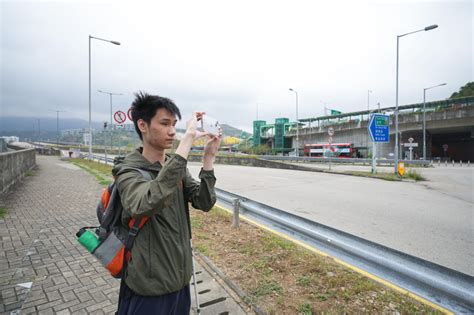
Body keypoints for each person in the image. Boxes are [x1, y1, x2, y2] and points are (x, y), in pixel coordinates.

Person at [112, 91, 220, 314]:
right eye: (164, 123)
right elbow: (144, 204)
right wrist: (187, 140)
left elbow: (205, 202)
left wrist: (208, 159)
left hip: (180, 282)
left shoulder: (173, 165)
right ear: (143, 125)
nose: (172, 131)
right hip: (149, 289)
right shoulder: (128, 171)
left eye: (174, 124)